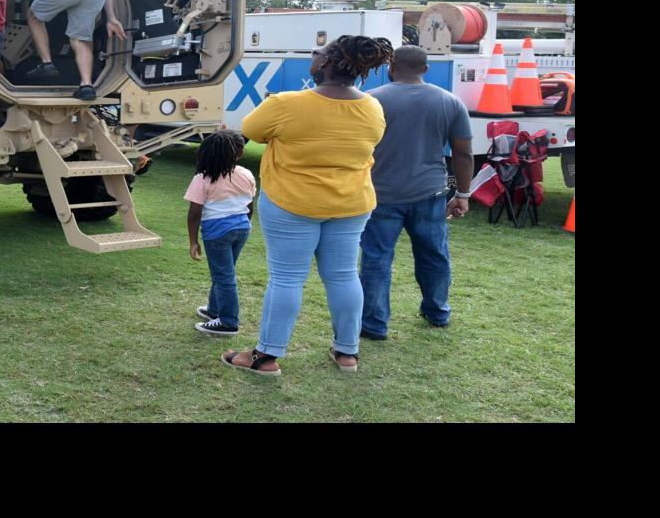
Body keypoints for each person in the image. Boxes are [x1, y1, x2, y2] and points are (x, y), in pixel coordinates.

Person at [224, 35, 395, 376]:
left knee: (286, 278)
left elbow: (250, 130)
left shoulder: (286, 103)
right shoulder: (371, 107)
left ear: (328, 63)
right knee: (344, 275)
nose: (313, 56)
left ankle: (266, 356)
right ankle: (348, 352)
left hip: (291, 202)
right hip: (351, 203)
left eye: (319, 52)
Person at [359, 46, 475, 340]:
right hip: (430, 193)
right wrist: (463, 194)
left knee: (376, 259)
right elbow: (462, 153)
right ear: (425, 69)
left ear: (391, 66)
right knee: (434, 255)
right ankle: (437, 312)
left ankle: (374, 324)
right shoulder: (450, 102)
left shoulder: (370, 100)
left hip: (380, 194)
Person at [184, 130, 256, 337]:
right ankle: (214, 310)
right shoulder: (246, 174)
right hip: (242, 228)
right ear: (236, 154)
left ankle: (228, 321)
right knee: (224, 271)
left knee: (224, 276)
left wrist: (193, 242)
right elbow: (249, 206)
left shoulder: (202, 178)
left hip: (217, 233)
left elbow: (194, 214)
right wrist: (242, 227)